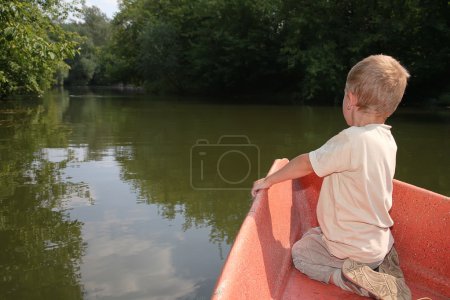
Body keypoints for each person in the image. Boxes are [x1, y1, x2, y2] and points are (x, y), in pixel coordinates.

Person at [251, 55, 411, 299]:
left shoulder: (351, 139)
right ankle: (381, 264)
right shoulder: (387, 139)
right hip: (378, 243)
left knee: (301, 252)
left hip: (352, 248)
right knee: (316, 234)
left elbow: (306, 162)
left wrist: (269, 180)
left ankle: (349, 279)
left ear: (351, 100)